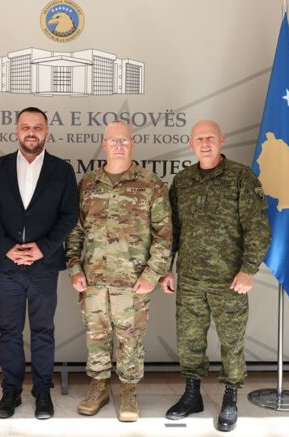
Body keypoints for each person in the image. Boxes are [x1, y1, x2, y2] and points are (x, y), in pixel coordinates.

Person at [160, 120, 271, 432]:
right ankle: (192, 395)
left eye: (210, 137)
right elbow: (173, 230)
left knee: (231, 342)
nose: (205, 143)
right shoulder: (182, 181)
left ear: (222, 140)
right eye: (199, 139)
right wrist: (166, 268)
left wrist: (248, 270)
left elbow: (258, 228)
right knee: (189, 339)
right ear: (191, 144)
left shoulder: (241, 177)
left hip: (229, 280)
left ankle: (230, 397)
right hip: (190, 280)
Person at [65, 120, 172, 422]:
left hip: (133, 281)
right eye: (113, 141)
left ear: (132, 144)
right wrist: (74, 267)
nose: (119, 146)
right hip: (94, 279)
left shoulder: (150, 184)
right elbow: (75, 231)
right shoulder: (88, 183)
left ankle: (128, 390)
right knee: (96, 336)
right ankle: (98, 387)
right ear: (104, 144)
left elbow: (164, 235)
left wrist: (152, 275)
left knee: (130, 338)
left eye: (124, 140)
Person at [0, 107, 78, 420]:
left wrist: (43, 249)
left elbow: (69, 215)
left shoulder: (62, 170)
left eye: (37, 127)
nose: (31, 132)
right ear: (17, 131)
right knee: (9, 331)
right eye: (26, 127)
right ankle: (11, 391)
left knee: (43, 330)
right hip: (7, 266)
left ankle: (43, 391)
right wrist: (8, 248)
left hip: (43, 267)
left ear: (46, 132)